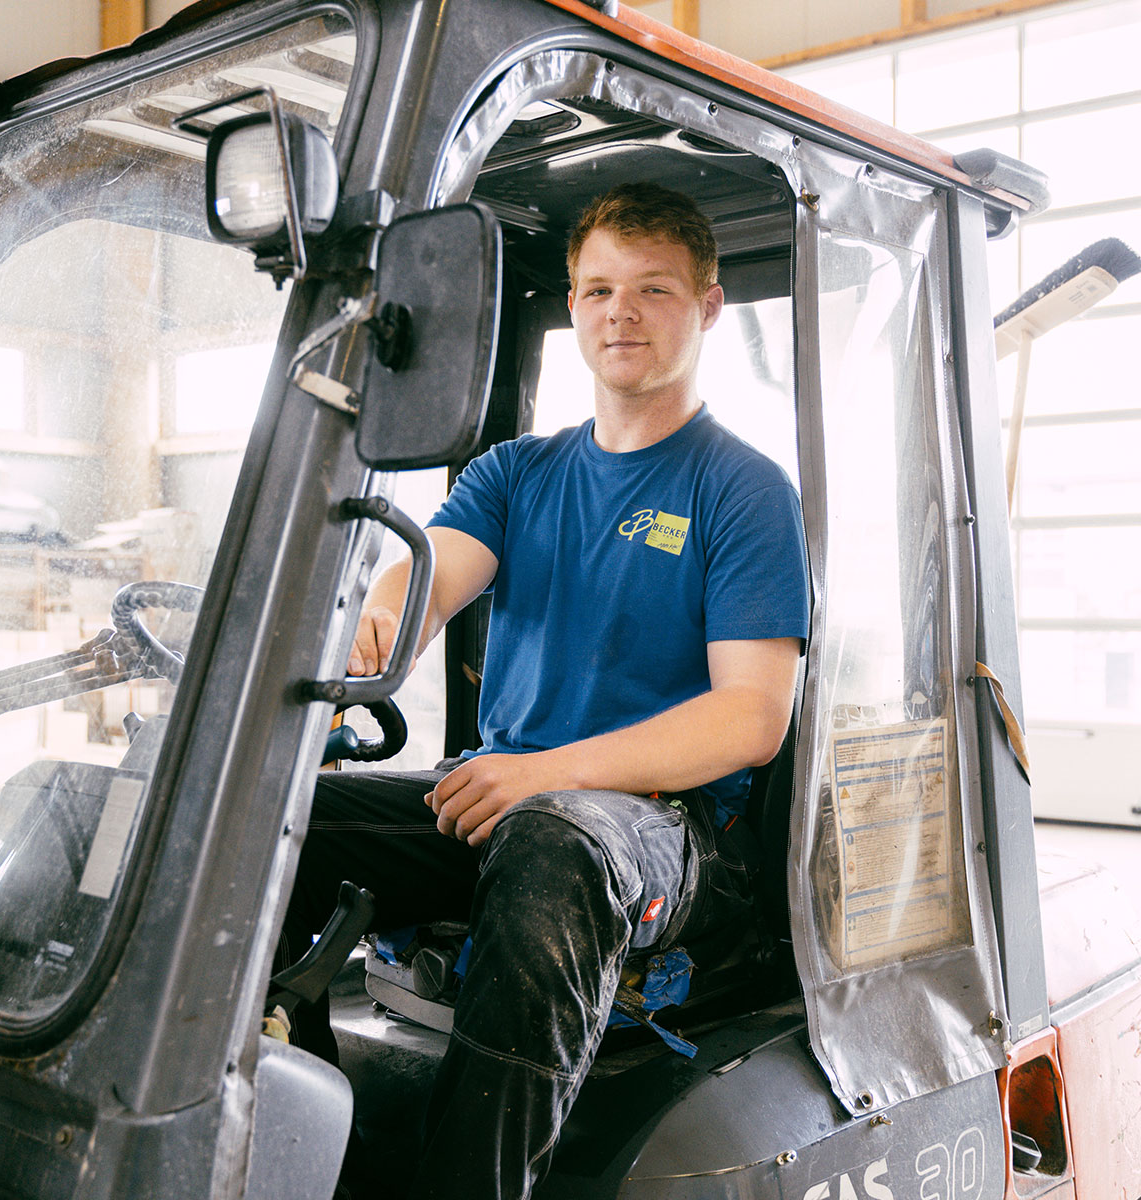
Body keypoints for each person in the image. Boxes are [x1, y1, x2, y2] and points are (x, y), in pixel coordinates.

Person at [275, 181, 809, 1199]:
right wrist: (361, 635)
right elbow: (421, 583)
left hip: (665, 832)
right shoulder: (514, 474)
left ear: (705, 308)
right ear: (572, 309)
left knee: (553, 842)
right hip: (517, 800)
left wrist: (539, 776)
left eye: (653, 289)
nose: (622, 312)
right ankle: (281, 1126)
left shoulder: (740, 489)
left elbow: (750, 717)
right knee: (269, 816)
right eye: (600, 289)